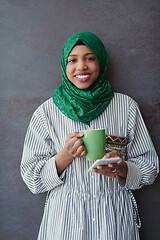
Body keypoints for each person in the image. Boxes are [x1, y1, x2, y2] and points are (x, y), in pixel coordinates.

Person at [20, 32, 159, 240]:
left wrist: (122, 169)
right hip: (65, 222)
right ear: (63, 66)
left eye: (90, 58)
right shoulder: (46, 113)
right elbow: (32, 178)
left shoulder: (126, 107)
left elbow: (150, 166)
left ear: (101, 61)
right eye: (72, 60)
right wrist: (65, 156)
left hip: (114, 220)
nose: (81, 66)